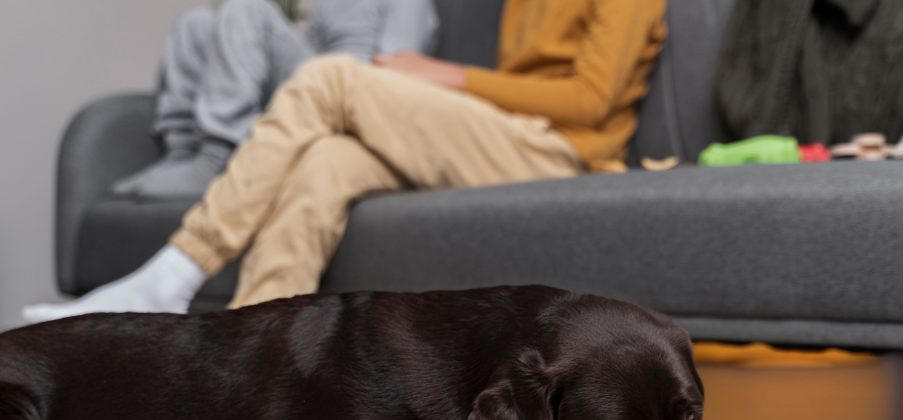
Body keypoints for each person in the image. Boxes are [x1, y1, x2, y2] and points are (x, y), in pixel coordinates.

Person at [23, 0, 666, 322]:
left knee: (332, 78)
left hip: (563, 151)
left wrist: (443, 77)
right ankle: (250, 361)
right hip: (499, 132)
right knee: (324, 161)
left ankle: (175, 272)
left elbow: (589, 100)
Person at [113, 0, 438, 199]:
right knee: (195, 23)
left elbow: (399, 73)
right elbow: (304, 55)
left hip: (353, 97)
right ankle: (182, 153)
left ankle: (218, 157)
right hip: (311, 89)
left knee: (248, 7)